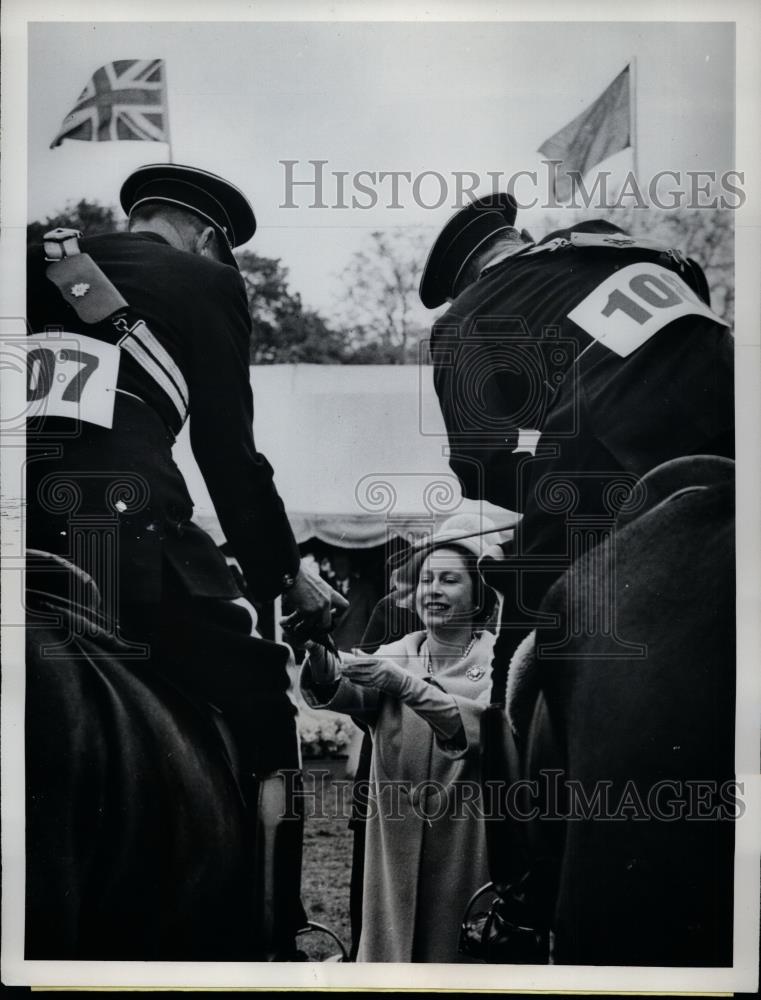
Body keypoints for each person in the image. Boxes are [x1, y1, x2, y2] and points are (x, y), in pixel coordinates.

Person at [25, 162, 346, 775]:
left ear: (135, 220)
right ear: (207, 240)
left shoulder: (29, 262)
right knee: (260, 693)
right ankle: (261, 871)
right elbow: (228, 458)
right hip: (119, 542)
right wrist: (284, 574)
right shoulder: (208, 281)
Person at [419, 192, 735, 685]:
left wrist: (552, 491)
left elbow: (478, 463)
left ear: (465, 283)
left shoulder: (462, 318)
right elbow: (691, 284)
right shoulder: (608, 238)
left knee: (527, 614)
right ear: (522, 238)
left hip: (607, 430)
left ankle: (512, 745)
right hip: (733, 391)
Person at [299, 515, 500, 963]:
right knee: (394, 949)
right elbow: (340, 690)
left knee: (457, 951)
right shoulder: (398, 651)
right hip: (395, 840)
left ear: (479, 592)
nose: (433, 590)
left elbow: (480, 729)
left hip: (464, 837)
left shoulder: (493, 659)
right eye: (426, 579)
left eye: (449, 580)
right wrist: (317, 651)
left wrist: (404, 685)